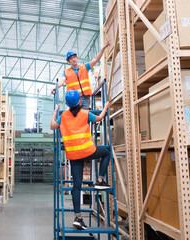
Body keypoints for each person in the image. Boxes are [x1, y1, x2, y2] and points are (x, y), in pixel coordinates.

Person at [50, 90, 111, 230]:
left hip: (73, 155)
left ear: (67, 104)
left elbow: (52, 126)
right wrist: (106, 106)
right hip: (87, 151)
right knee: (106, 153)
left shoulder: (63, 115)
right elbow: (100, 117)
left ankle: (78, 218)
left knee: (76, 186)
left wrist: (55, 111)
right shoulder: (85, 113)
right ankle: (100, 181)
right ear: (79, 101)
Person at [51, 41, 110, 109]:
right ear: (68, 61)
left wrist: (103, 49)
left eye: (74, 57)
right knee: (75, 117)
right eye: (71, 58)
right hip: (73, 99)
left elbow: (96, 59)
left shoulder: (85, 67)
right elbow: (61, 82)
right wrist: (55, 87)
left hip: (85, 97)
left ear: (77, 58)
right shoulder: (66, 72)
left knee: (84, 116)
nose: (73, 59)